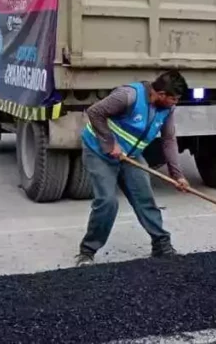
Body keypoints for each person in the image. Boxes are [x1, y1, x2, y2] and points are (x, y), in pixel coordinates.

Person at [75, 71, 190, 265]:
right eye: (174, 99)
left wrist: (177, 175)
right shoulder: (128, 96)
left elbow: (169, 139)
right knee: (107, 202)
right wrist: (110, 143)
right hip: (99, 152)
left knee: (144, 198)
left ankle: (161, 245)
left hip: (131, 156)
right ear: (160, 94)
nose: (175, 103)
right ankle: (87, 251)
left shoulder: (167, 109)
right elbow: (95, 112)